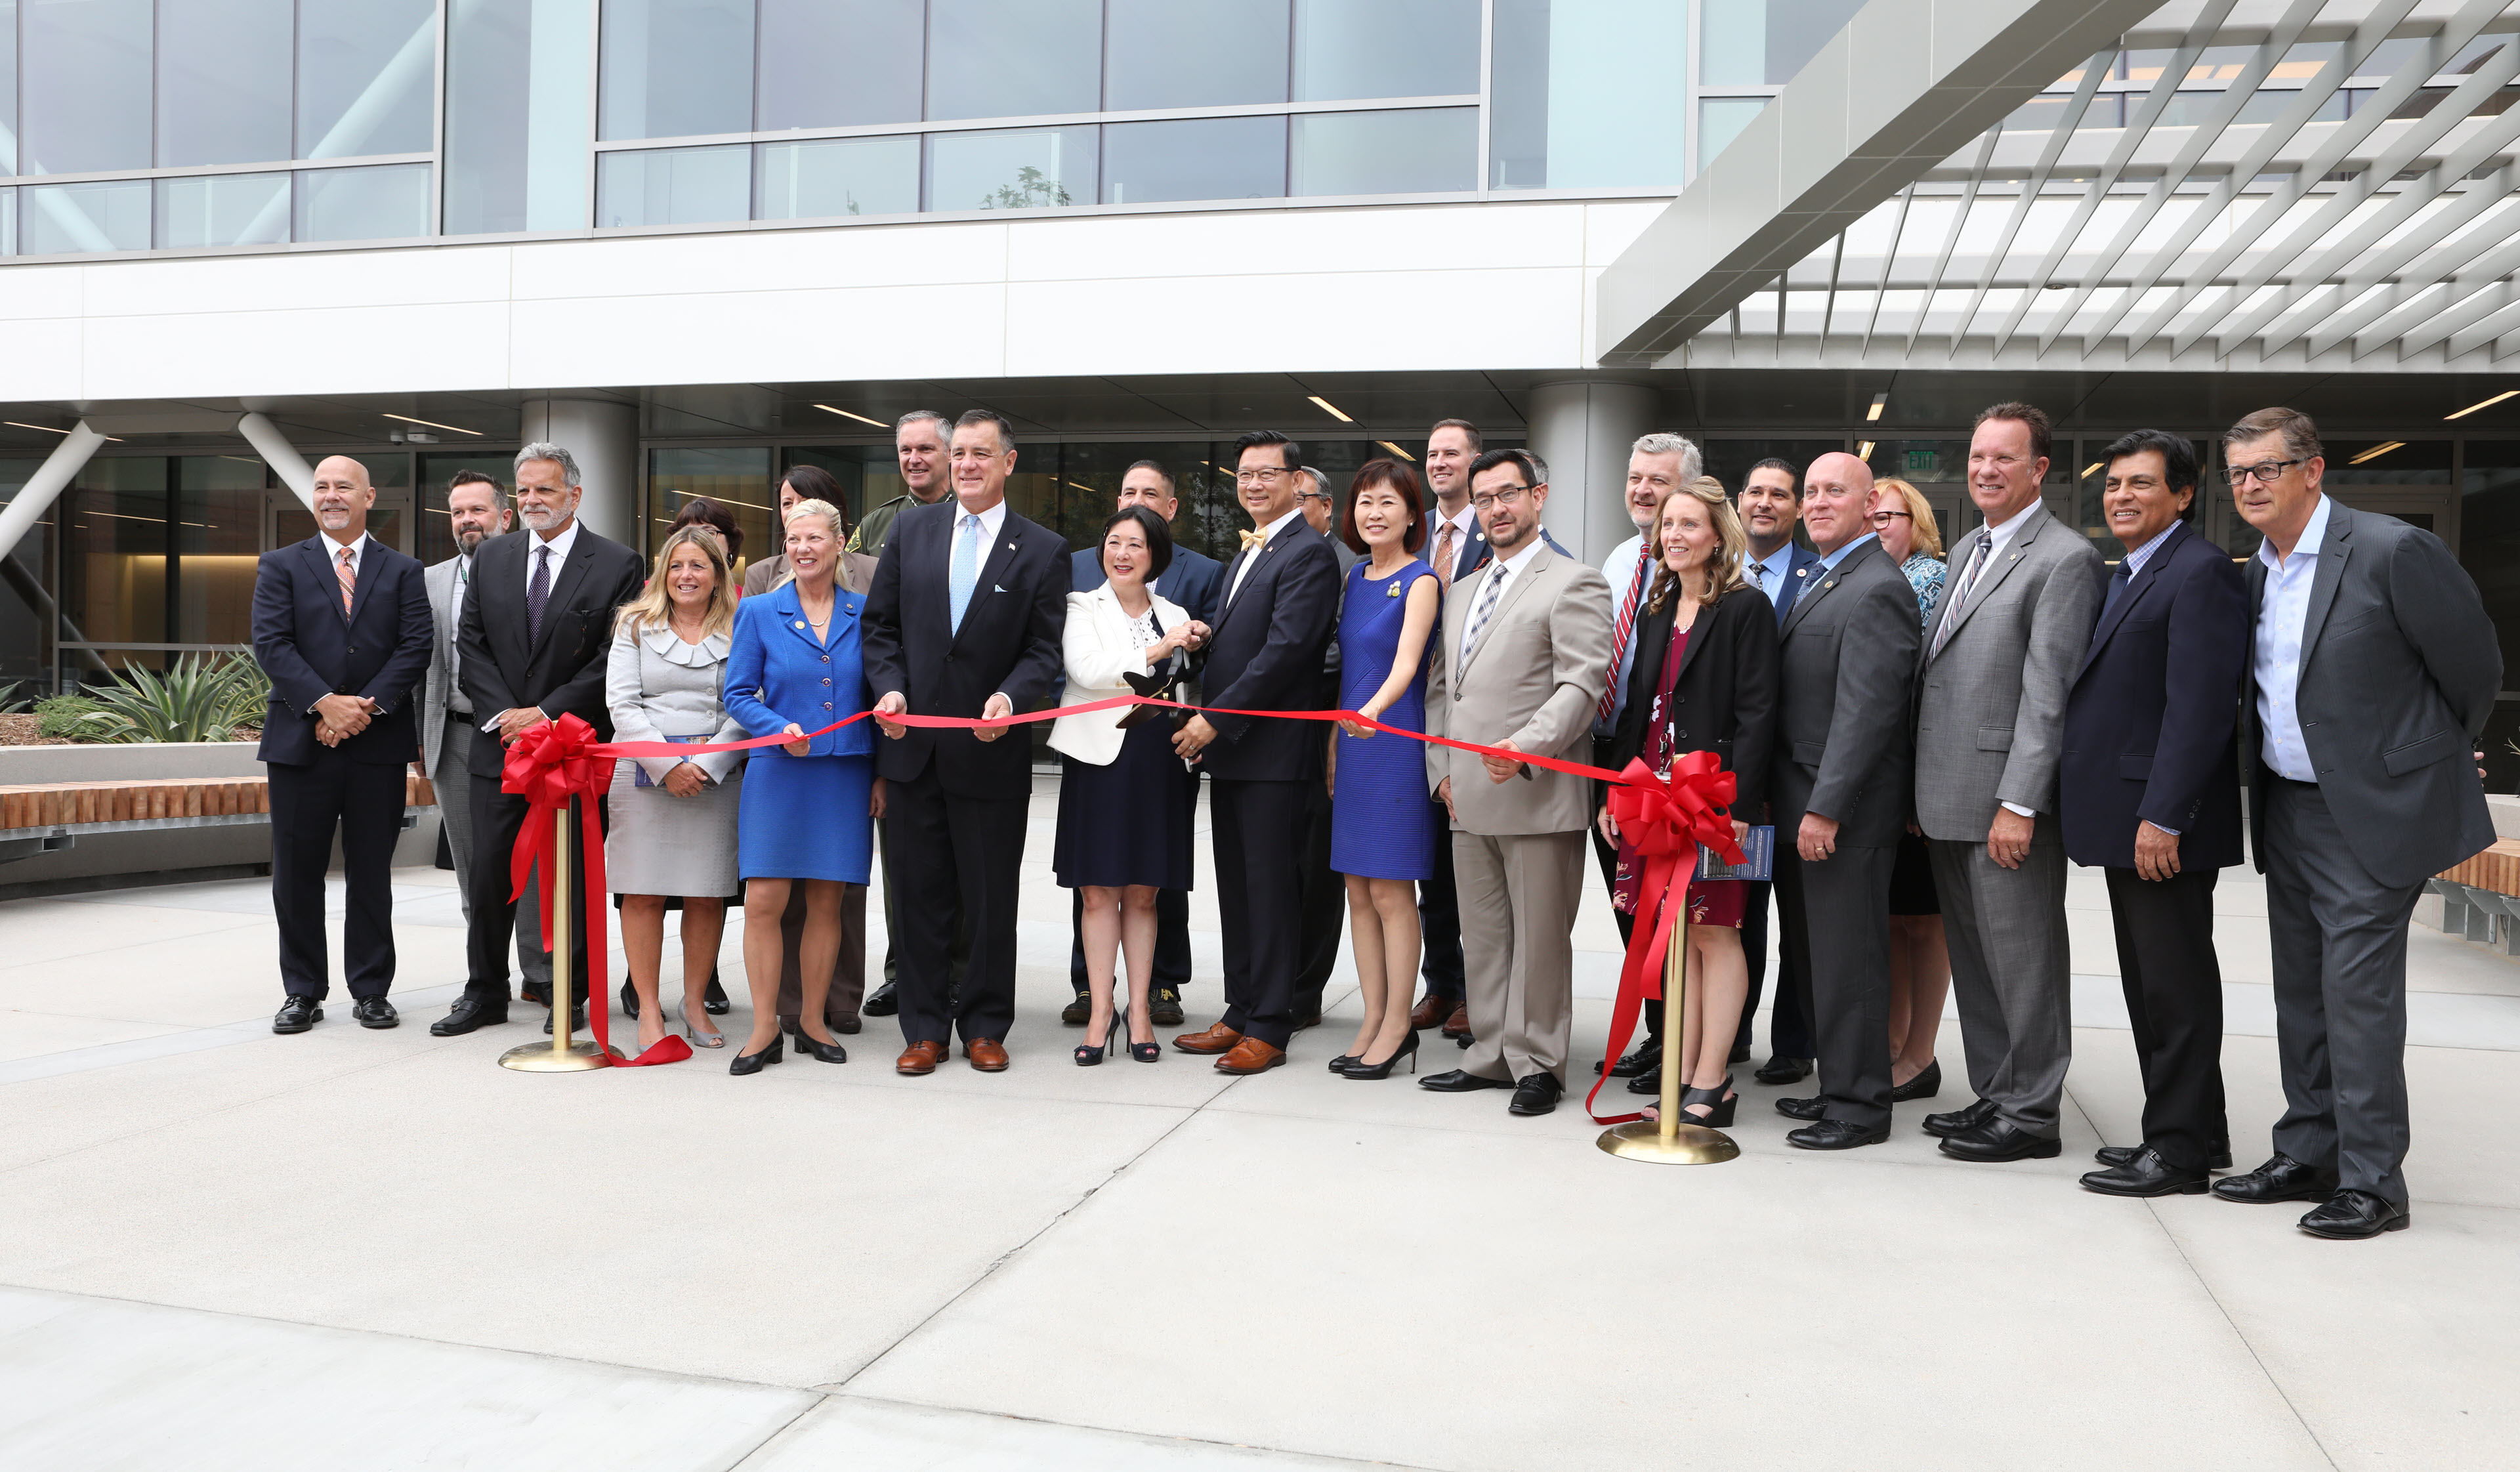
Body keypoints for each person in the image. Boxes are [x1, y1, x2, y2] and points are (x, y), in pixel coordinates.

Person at [2214, 408, 2498, 1238]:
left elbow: (2473, 666)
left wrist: (2441, 752)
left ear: (2314, 470)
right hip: (2288, 804)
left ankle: (2375, 1182)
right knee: (2301, 989)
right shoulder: (2257, 573)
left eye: (2266, 468)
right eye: (2238, 472)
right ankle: (2309, 1150)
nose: (2250, 485)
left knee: (2358, 993)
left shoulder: (2391, 550)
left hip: (2373, 812)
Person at [1914, 404, 2103, 1163]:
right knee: (1978, 958)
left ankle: (2031, 1113)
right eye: (1977, 454)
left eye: (2004, 457)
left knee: (2023, 959)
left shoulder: (2064, 559)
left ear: (2039, 470)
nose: (1986, 469)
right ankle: (1996, 1091)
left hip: (2004, 801)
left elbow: (2047, 694)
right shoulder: (1967, 548)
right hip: (1949, 794)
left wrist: (2020, 802)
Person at [2062, 431, 2248, 1196]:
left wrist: (2165, 815)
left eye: (2142, 483)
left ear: (2182, 494)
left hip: (2159, 825)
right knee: (2149, 984)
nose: (2122, 496)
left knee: (2174, 987)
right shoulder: (2130, 572)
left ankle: (2177, 1155)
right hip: (2126, 816)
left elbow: (2201, 710)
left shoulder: (2200, 572)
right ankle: (2197, 1130)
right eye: (2113, 484)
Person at [863, 409, 1070, 1075]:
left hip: (991, 751)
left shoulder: (1041, 548)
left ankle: (984, 1023)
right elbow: (881, 628)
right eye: (961, 454)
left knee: (988, 901)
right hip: (913, 747)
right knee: (919, 897)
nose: (969, 464)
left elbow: (1044, 652)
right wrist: (890, 687)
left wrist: (1011, 697)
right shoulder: (911, 529)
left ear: (1009, 462)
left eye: (983, 453)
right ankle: (923, 1027)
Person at [1418, 448, 1613, 1117]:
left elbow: (1581, 682)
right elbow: (1445, 685)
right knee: (1488, 937)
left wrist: (1526, 745)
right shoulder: (1464, 588)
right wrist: (1442, 769)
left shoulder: (1575, 581)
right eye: (1485, 497)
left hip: (1535, 788)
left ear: (1539, 496)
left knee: (1538, 941)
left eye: (1509, 494)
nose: (1496, 508)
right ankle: (1490, 1052)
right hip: (1467, 795)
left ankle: (1539, 1064)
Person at [434, 442, 646, 1038]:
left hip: (572, 751)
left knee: (570, 874)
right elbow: (470, 645)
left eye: (544, 490)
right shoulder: (493, 556)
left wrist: (545, 713)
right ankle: (484, 992)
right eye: (523, 490)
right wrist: (510, 715)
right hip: (499, 748)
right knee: (488, 875)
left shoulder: (616, 563)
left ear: (574, 495)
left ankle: (566, 992)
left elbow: (613, 656)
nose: (530, 501)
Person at [1597, 478, 1776, 1123]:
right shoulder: (1653, 609)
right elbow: (1637, 716)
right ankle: (1685, 1073)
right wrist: (1617, 791)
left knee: (1717, 932)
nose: (1673, 535)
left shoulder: (1745, 607)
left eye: (1689, 524)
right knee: (1678, 935)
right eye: (1667, 524)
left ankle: (1713, 1081)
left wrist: (1740, 810)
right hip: (1655, 801)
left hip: (1723, 804)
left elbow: (1759, 713)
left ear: (1717, 534)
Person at [1169, 430, 1341, 1074]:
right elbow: (1245, 639)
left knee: (1271, 890)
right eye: (1245, 474)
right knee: (1238, 888)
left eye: (1268, 473)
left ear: (1298, 481)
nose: (1254, 484)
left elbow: (1287, 650)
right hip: (1237, 753)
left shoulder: (1309, 551)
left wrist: (1214, 718)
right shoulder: (1253, 548)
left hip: (1271, 748)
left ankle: (1271, 1022)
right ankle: (1241, 1007)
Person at [1767, 453, 1921, 1150]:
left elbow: (1867, 714)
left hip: (1843, 815)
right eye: (1813, 492)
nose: (1820, 502)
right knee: (1821, 960)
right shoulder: (1827, 574)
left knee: (1851, 963)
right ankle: (1837, 1087)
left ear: (1871, 507)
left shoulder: (1879, 587)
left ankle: (1860, 1107)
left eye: (1838, 491)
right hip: (1804, 801)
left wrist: (1826, 807)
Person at [252, 455, 433, 1034]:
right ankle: (302, 990)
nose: (331, 495)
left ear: (369, 496)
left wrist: (363, 709)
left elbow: (415, 646)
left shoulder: (403, 570)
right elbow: (272, 644)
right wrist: (325, 704)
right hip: (300, 743)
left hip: (375, 746)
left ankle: (372, 989)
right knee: (296, 873)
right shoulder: (280, 565)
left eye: (344, 487)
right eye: (322, 486)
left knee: (372, 871)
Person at [1062, 459, 1223, 1030]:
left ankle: (1142, 1015)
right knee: (1099, 893)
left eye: (1135, 544)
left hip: (1158, 763)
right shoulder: (1081, 604)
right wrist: (1161, 650)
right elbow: (1087, 669)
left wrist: (1191, 646)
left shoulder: (1176, 613)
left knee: (1147, 895)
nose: (1122, 553)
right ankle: (1100, 1012)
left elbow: (1184, 688)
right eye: (1114, 543)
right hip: (1100, 763)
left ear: (1155, 553)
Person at [723, 497, 877, 1074]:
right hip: (779, 770)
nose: (804, 548)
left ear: (840, 544)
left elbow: (877, 691)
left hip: (844, 772)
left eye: (815, 538)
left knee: (827, 901)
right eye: (794, 539)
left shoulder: (868, 611)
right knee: (764, 900)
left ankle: (813, 1019)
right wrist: (773, 726)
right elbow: (737, 693)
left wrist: (881, 774)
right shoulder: (760, 610)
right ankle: (765, 1027)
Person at [604, 525, 749, 1052]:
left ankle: (693, 1003)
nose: (686, 576)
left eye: (699, 566)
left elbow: (748, 702)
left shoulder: (742, 625)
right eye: (677, 566)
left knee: (707, 893)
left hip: (716, 775)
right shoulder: (634, 624)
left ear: (718, 574)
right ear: (664, 573)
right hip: (644, 775)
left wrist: (708, 764)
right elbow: (622, 704)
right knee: (641, 892)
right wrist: (668, 765)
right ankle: (647, 1007)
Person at [417, 472, 554, 1005]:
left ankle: (540, 971)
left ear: (505, 517)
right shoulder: (431, 580)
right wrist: (420, 739)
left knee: (533, 860)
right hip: (455, 736)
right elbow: (421, 668)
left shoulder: (536, 574)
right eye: (457, 512)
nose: (466, 520)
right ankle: (485, 978)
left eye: (477, 510)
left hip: (529, 739)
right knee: (474, 864)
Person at [1325, 460, 1442, 1080]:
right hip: (1354, 741)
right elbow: (1346, 666)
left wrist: (1371, 710)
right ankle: (1371, 1017)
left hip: (1394, 739)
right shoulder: (1356, 578)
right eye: (1366, 501)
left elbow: (1406, 663)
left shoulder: (1420, 580)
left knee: (1394, 893)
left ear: (1411, 514)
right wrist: (1335, 742)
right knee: (1358, 891)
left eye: (1388, 503)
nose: (1375, 513)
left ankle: (1399, 1024)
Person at [1590, 434, 1700, 1089]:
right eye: (1635, 477)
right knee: (1630, 902)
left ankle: (1691, 1039)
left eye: (1657, 480)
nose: (1641, 490)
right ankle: (1662, 1032)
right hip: (1608, 753)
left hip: (1666, 762)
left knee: (1675, 907)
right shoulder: (1620, 556)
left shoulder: (1696, 562)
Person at [850, 413, 961, 1024]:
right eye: (905, 449)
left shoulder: (983, 520)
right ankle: (904, 972)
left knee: (964, 866)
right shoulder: (878, 524)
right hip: (898, 712)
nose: (915, 458)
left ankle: (961, 976)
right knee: (905, 867)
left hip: (968, 719)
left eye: (926, 448)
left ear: (953, 455)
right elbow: (873, 618)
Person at [1734, 457, 1822, 1083]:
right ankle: (1727, 1034)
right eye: (1756, 492)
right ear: (1739, 502)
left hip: (1794, 784)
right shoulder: (1712, 577)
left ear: (1796, 510)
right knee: (1735, 915)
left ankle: (1794, 1042)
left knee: (1800, 922)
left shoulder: (1821, 577)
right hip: (1732, 785)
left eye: (1779, 495)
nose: (1765, 502)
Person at [1869, 476, 1952, 1102]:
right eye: (1866, 514)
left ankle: (1920, 1052)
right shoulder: (1869, 578)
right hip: (1883, 788)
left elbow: (1921, 691)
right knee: (1895, 921)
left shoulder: (1929, 582)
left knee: (1925, 925)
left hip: (1920, 783)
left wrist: (1919, 793)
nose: (1875, 524)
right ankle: (1896, 1047)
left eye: (1886, 515)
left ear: (1916, 521)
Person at [1412, 418, 1486, 1043]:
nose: (1439, 463)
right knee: (1429, 868)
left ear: (1475, 462)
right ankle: (1439, 985)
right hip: (1411, 721)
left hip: (1472, 726)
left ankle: (1473, 992)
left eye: (1451, 453)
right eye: (1432, 453)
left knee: (1470, 872)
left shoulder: (1502, 534)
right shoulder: (1412, 536)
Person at [1290, 464, 1357, 1030]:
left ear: (1325, 507)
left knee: (1316, 866)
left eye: (1300, 496)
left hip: (1322, 722)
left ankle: (1305, 988)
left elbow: (1338, 650)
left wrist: (1282, 674)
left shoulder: (1340, 564)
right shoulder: (1275, 551)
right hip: (1282, 723)